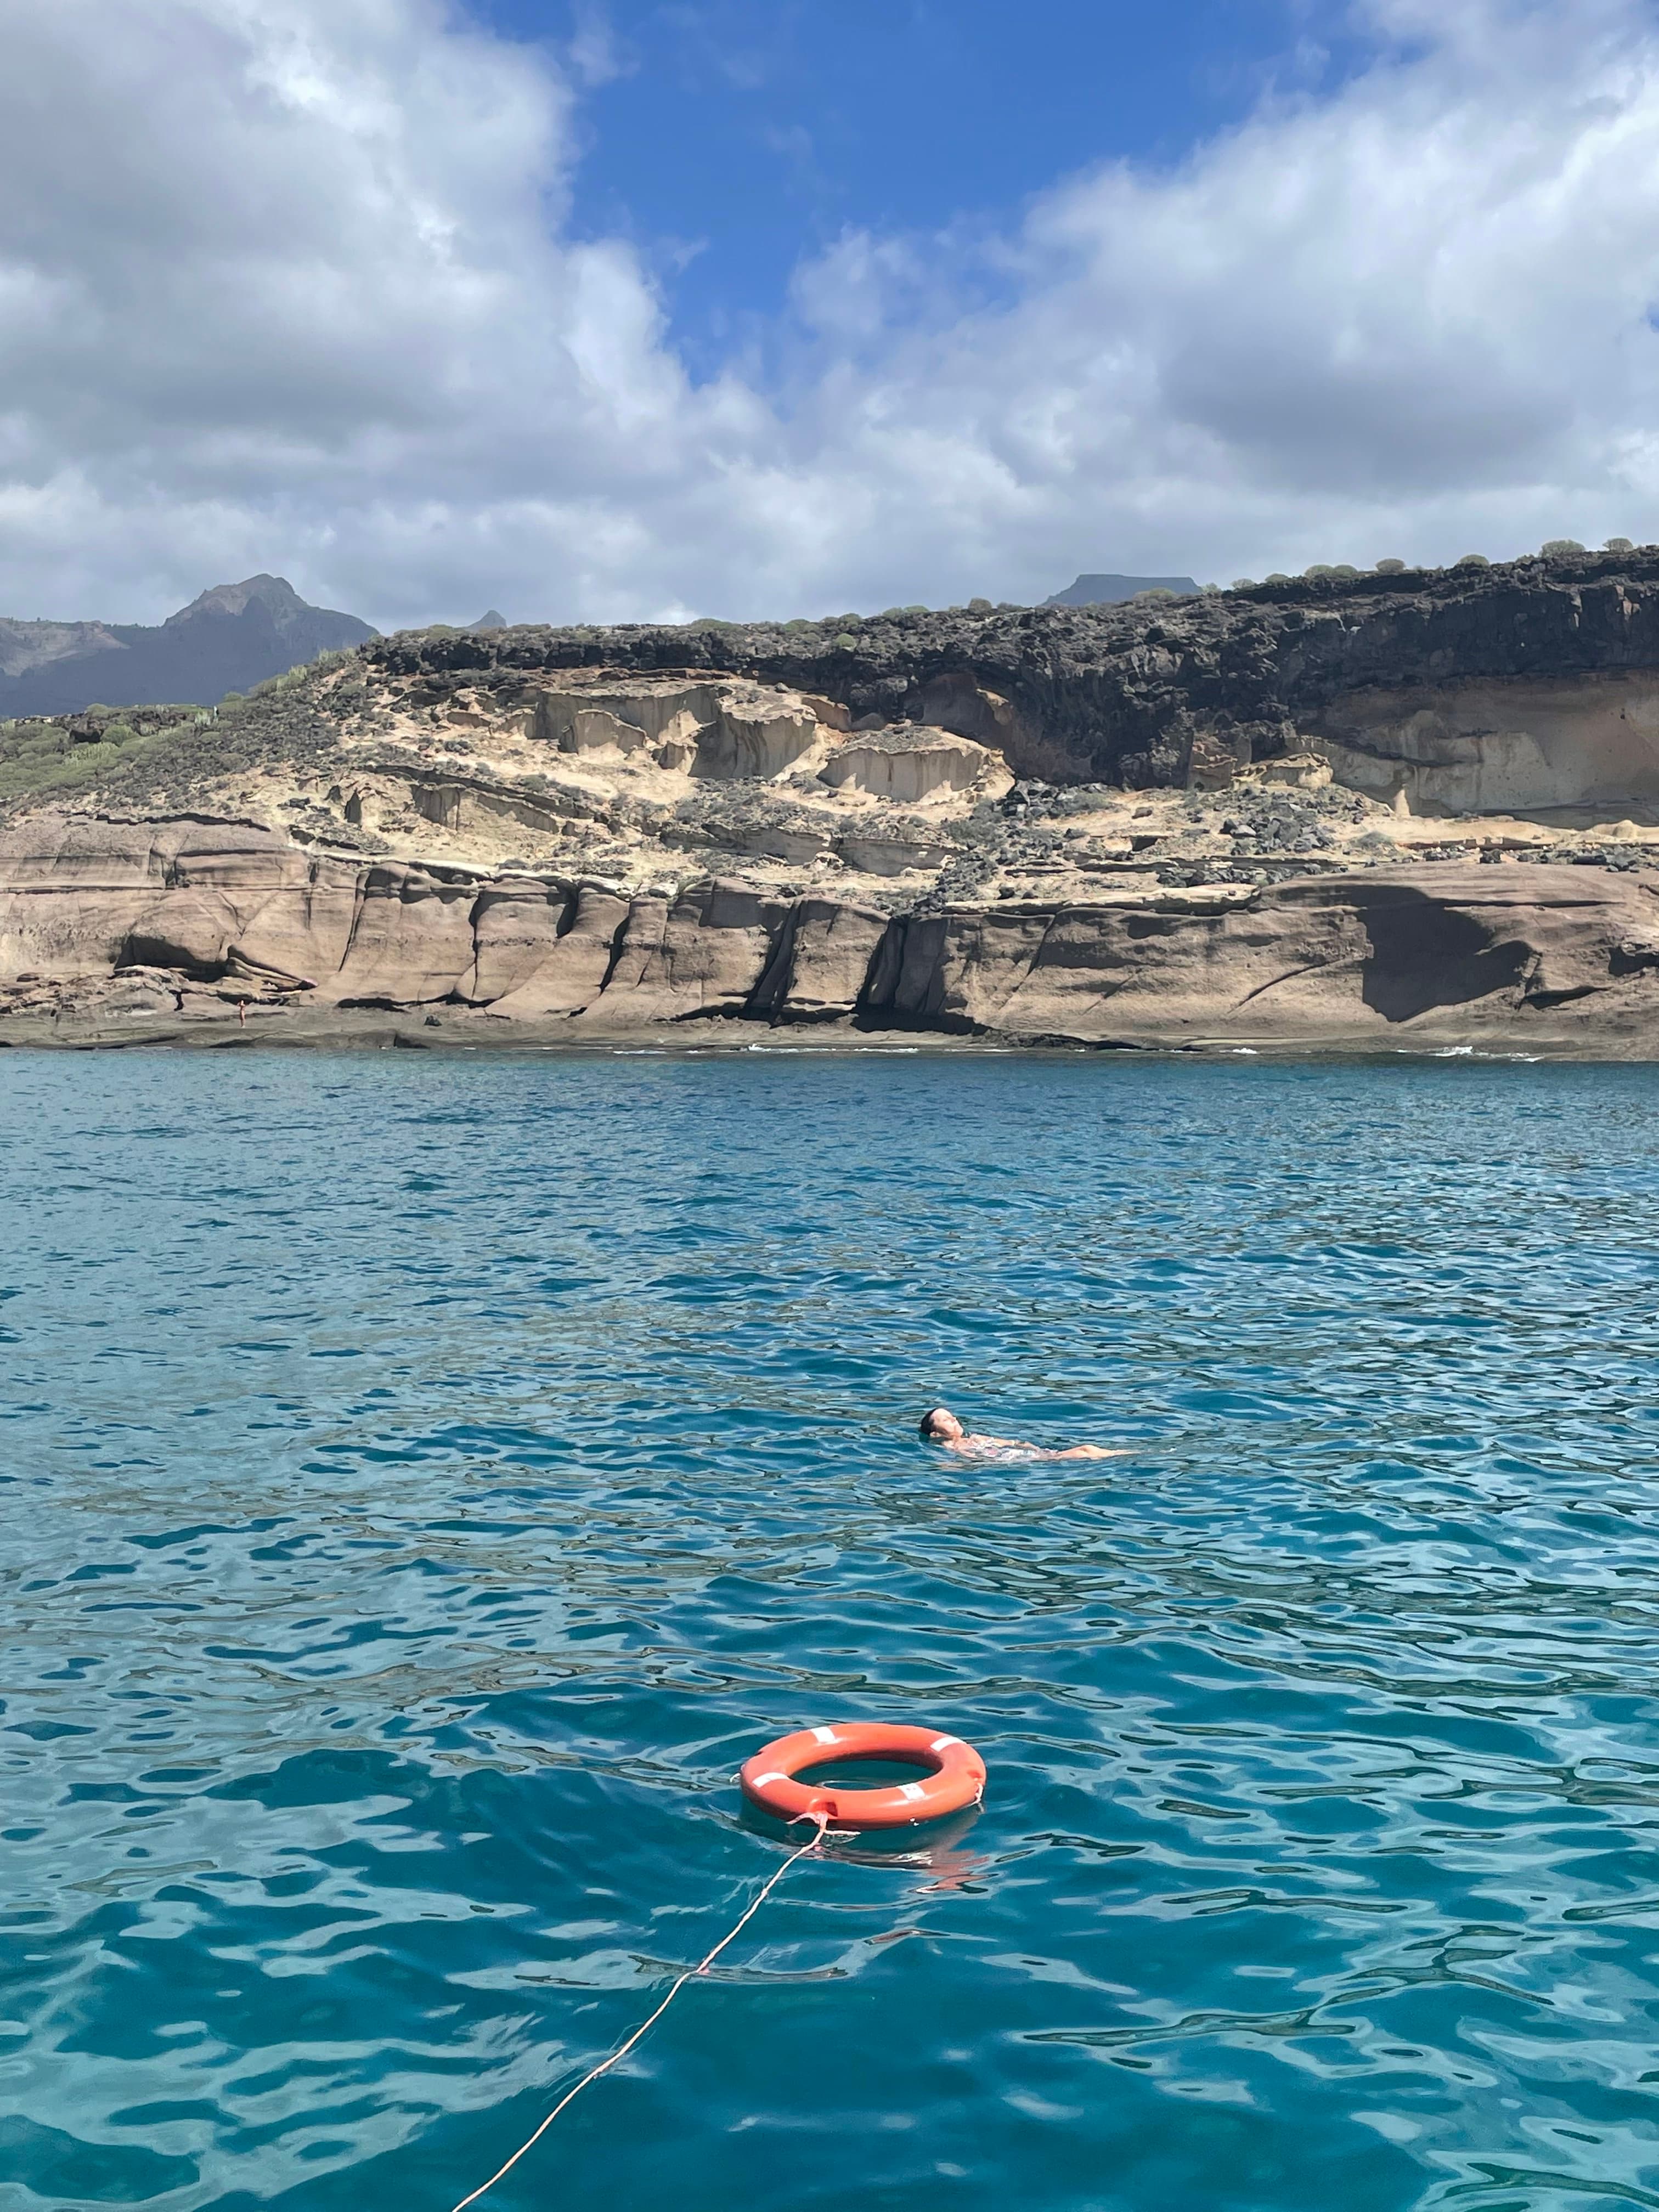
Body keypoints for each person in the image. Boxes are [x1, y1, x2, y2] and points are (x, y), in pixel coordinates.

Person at [917, 1407, 1125, 1461]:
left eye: (952, 1416)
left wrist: (1030, 1447)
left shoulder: (975, 1438)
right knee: (1086, 1451)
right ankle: (1125, 1454)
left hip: (1028, 1456)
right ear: (936, 1435)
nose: (954, 1420)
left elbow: (1013, 1442)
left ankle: (1122, 1453)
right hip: (1020, 1462)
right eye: (946, 1420)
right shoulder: (950, 1446)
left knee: (1087, 1449)